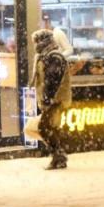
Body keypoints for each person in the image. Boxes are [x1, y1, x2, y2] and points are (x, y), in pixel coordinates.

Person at [33, 29, 71, 170]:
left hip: (56, 99)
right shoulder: (46, 56)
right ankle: (58, 157)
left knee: (44, 128)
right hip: (51, 98)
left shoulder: (54, 57)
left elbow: (52, 80)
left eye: (36, 41)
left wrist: (47, 99)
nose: (35, 44)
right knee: (51, 128)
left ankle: (59, 156)